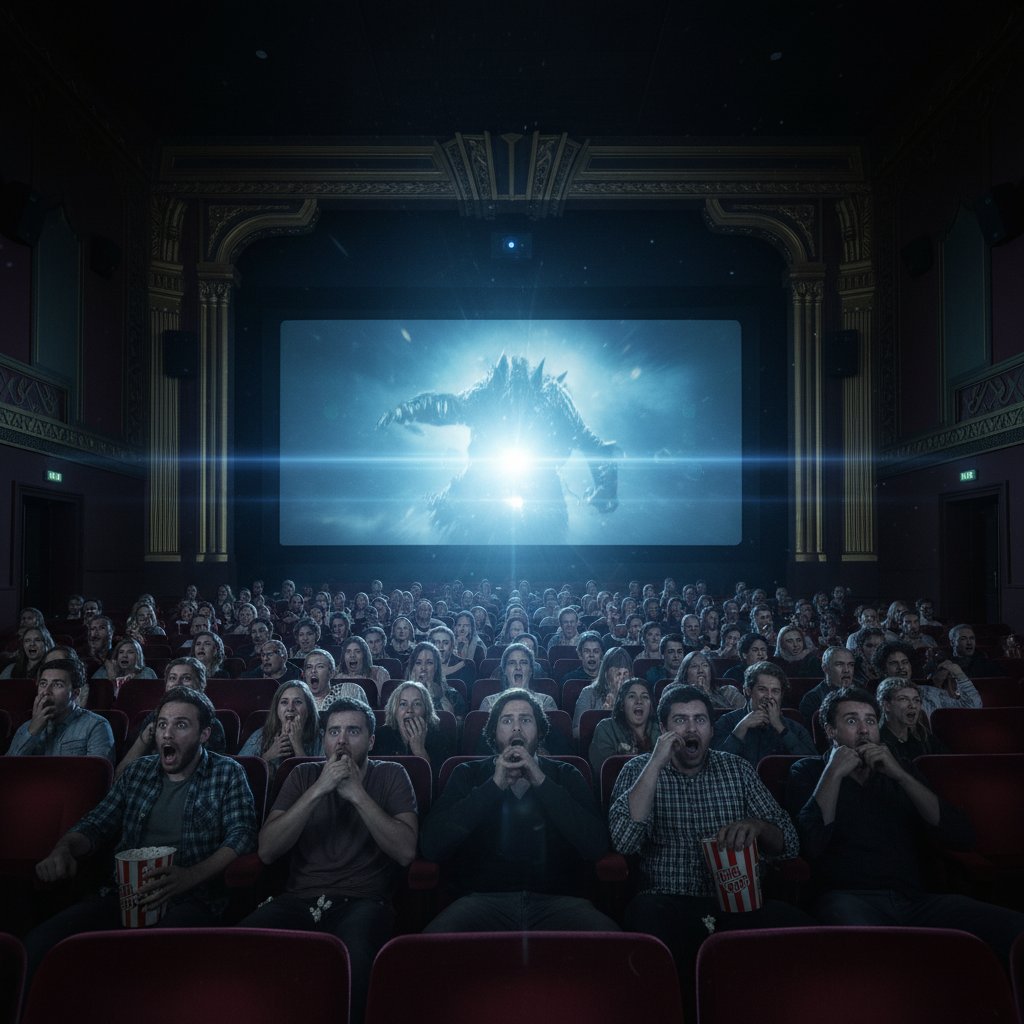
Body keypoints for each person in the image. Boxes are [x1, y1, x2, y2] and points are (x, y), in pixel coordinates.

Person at [26, 686, 257, 980]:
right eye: (162, 724)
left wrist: (190, 876)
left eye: (181, 725)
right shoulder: (138, 773)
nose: (167, 734)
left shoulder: (228, 773)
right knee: (42, 944)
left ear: (204, 734)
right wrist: (64, 848)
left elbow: (243, 834)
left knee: (146, 966)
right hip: (122, 895)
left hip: (192, 899)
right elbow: (96, 824)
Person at [785, 686, 1024, 964]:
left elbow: (959, 835)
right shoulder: (807, 771)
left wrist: (900, 775)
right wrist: (833, 773)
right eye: (852, 721)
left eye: (871, 721)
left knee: (1014, 928)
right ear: (830, 730)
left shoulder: (900, 769)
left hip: (914, 900)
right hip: (845, 897)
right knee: (876, 952)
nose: (864, 730)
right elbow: (810, 845)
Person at [609, 684, 809, 1005]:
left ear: (711, 729)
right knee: (646, 921)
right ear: (664, 729)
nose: (691, 728)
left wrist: (757, 827)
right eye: (680, 720)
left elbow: (789, 842)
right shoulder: (638, 770)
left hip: (737, 901)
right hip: (666, 901)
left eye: (700, 720)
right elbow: (625, 840)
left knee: (796, 927)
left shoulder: (737, 769)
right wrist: (655, 764)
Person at [239, 696, 416, 1024]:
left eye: (353, 731)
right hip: (298, 898)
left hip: (364, 901)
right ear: (323, 739)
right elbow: (267, 850)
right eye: (334, 732)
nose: (342, 740)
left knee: (353, 965)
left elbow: (405, 852)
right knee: (237, 948)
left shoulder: (392, 774)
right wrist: (320, 789)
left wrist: (357, 794)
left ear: (371, 740)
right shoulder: (304, 776)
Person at [420, 688, 617, 932]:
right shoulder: (467, 774)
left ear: (540, 731)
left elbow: (595, 845)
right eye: (507, 720)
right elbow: (432, 846)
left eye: (525, 720)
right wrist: (494, 786)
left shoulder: (566, 774)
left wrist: (540, 780)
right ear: (493, 731)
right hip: (481, 900)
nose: (516, 728)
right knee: (428, 946)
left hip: (559, 901)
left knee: (615, 944)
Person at [116, 657, 227, 776]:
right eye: (172, 678)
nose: (177, 684)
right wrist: (145, 737)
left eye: (186, 678)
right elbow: (121, 774)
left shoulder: (212, 724)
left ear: (201, 686)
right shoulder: (152, 717)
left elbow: (210, 774)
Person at [7, 658, 115, 760]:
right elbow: (8, 771)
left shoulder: (95, 726)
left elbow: (97, 774)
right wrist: (32, 732)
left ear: (75, 693)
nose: (46, 691)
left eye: (58, 685)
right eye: (43, 683)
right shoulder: (26, 728)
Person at [713, 660, 816, 765]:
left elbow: (812, 766)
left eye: (775, 691)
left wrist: (780, 727)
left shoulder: (795, 728)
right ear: (748, 691)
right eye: (762, 690)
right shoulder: (726, 722)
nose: (769, 696)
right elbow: (713, 764)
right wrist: (741, 728)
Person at [373, 680, 455, 779]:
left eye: (417, 704)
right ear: (394, 710)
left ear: (426, 710)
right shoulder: (380, 736)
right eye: (403, 704)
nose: (410, 710)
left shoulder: (440, 739)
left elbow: (440, 784)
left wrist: (420, 750)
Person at [588, 676, 659, 775]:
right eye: (632, 696)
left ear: (650, 705)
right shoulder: (606, 728)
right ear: (622, 705)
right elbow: (605, 771)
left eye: (645, 697)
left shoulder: (660, 730)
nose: (639, 701)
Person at [876, 677, 947, 763]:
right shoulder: (877, 742)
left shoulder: (924, 737)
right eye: (903, 699)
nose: (913, 705)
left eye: (916, 700)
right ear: (887, 705)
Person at [571, 646, 632, 736]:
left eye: (625, 673)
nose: (621, 678)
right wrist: (603, 715)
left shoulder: (635, 695)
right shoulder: (589, 693)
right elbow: (576, 731)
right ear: (606, 673)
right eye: (618, 673)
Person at [480, 642, 557, 713]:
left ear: (530, 670)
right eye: (512, 663)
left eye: (523, 663)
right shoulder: (489, 703)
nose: (518, 667)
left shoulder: (545, 702)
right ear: (505, 670)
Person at [798, 645, 856, 725]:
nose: (846, 670)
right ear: (825, 668)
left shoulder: (863, 691)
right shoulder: (812, 699)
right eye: (839, 664)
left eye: (851, 665)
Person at [673, 650, 744, 710]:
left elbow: (740, 716)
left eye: (705, 665)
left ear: (710, 671)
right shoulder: (674, 691)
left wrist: (707, 693)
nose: (700, 670)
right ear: (685, 673)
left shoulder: (729, 692)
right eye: (694, 666)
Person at [302, 648, 367, 712]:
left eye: (320, 666)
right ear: (304, 674)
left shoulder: (350, 690)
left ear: (331, 673)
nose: (313, 671)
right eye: (309, 667)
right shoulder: (300, 700)